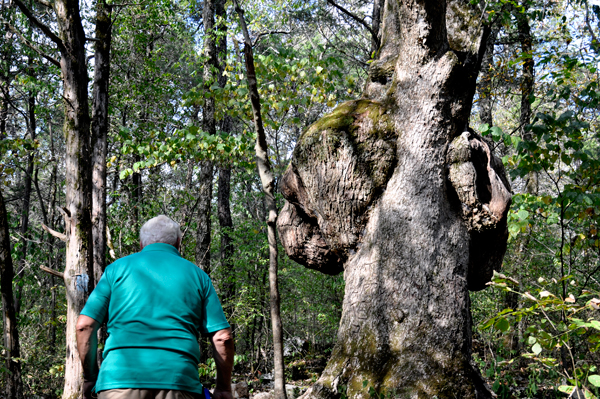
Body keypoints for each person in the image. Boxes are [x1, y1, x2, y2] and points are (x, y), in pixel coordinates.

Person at [76, 215, 234, 399]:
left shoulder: (115, 270)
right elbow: (223, 338)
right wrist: (223, 388)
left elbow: (84, 326)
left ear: (142, 244)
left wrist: (90, 378)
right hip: (179, 381)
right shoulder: (198, 276)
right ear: (178, 243)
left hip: (118, 381)